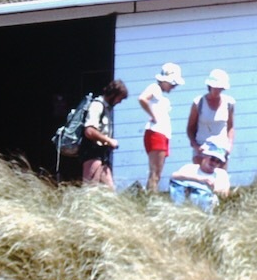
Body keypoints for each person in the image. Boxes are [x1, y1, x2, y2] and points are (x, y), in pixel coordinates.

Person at [140, 63, 185, 192]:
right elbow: (142, 98)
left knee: (157, 173)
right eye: (172, 83)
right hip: (156, 133)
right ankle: (151, 199)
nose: (173, 87)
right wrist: (153, 115)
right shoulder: (154, 87)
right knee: (155, 173)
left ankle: (150, 197)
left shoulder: (160, 93)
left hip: (162, 133)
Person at [80, 80, 129, 189]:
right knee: (89, 190)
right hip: (92, 153)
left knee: (109, 191)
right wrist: (109, 140)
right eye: (119, 98)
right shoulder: (97, 106)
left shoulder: (107, 109)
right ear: (113, 94)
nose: (119, 102)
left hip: (102, 155)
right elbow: (89, 131)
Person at [186, 68, 236, 163]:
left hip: (221, 148)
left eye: (220, 88)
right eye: (215, 87)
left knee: (219, 176)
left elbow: (230, 127)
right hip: (202, 148)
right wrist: (196, 146)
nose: (217, 90)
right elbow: (190, 128)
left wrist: (229, 146)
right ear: (209, 86)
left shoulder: (229, 103)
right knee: (200, 176)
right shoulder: (199, 103)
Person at [169, 136, 231, 210]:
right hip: (187, 203)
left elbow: (225, 193)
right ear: (205, 156)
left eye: (218, 161)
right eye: (212, 159)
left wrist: (210, 187)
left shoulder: (221, 174)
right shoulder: (190, 168)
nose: (214, 163)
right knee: (178, 186)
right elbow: (173, 177)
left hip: (208, 206)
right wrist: (200, 180)